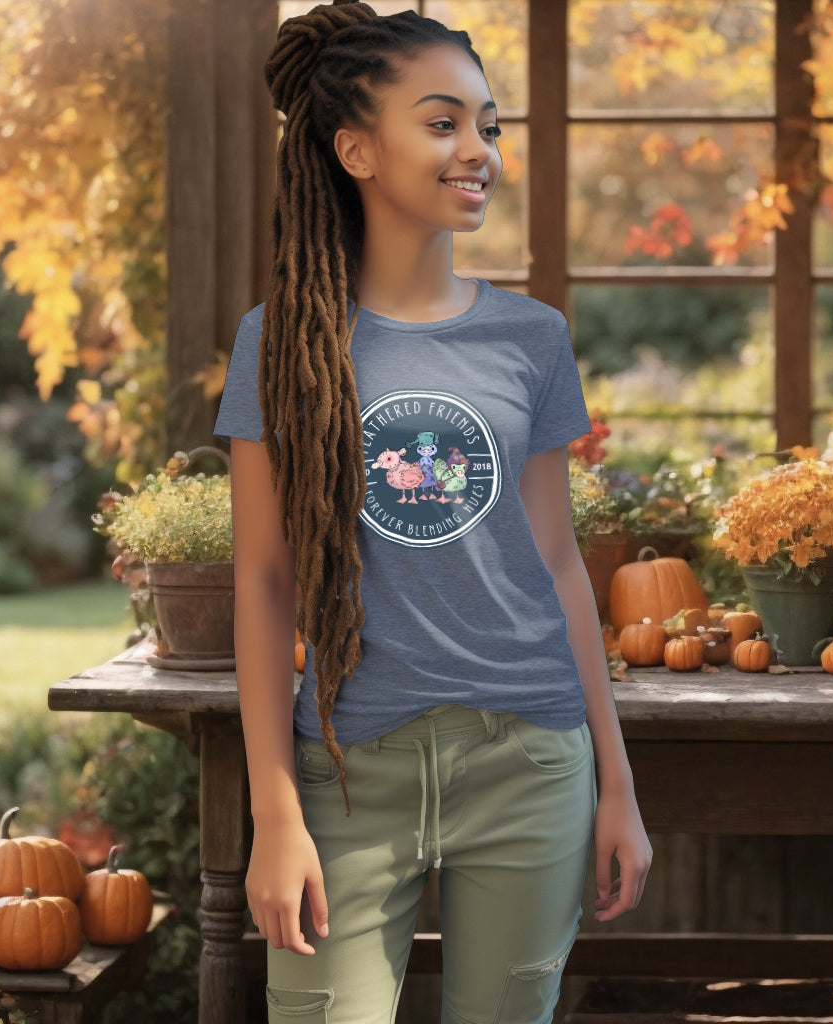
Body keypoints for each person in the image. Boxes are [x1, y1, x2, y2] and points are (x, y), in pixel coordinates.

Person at [214, 2, 652, 1021]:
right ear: (355, 148)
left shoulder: (531, 337)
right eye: (443, 121)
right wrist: (275, 808)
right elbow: (264, 580)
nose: (478, 151)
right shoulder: (277, 340)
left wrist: (617, 786)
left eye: (489, 126)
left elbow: (556, 559)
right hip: (350, 768)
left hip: (533, 761)